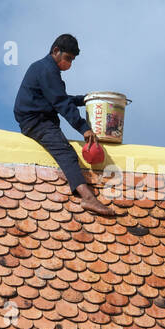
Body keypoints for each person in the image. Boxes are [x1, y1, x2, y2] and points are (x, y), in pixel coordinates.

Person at [13, 34, 117, 217]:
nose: (69, 63)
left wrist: (85, 100)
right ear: (55, 51)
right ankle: (88, 198)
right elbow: (60, 102)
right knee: (66, 152)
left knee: (64, 147)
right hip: (36, 122)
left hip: (38, 117)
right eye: (68, 58)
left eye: (72, 60)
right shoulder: (47, 70)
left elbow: (58, 98)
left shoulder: (44, 68)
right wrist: (83, 127)